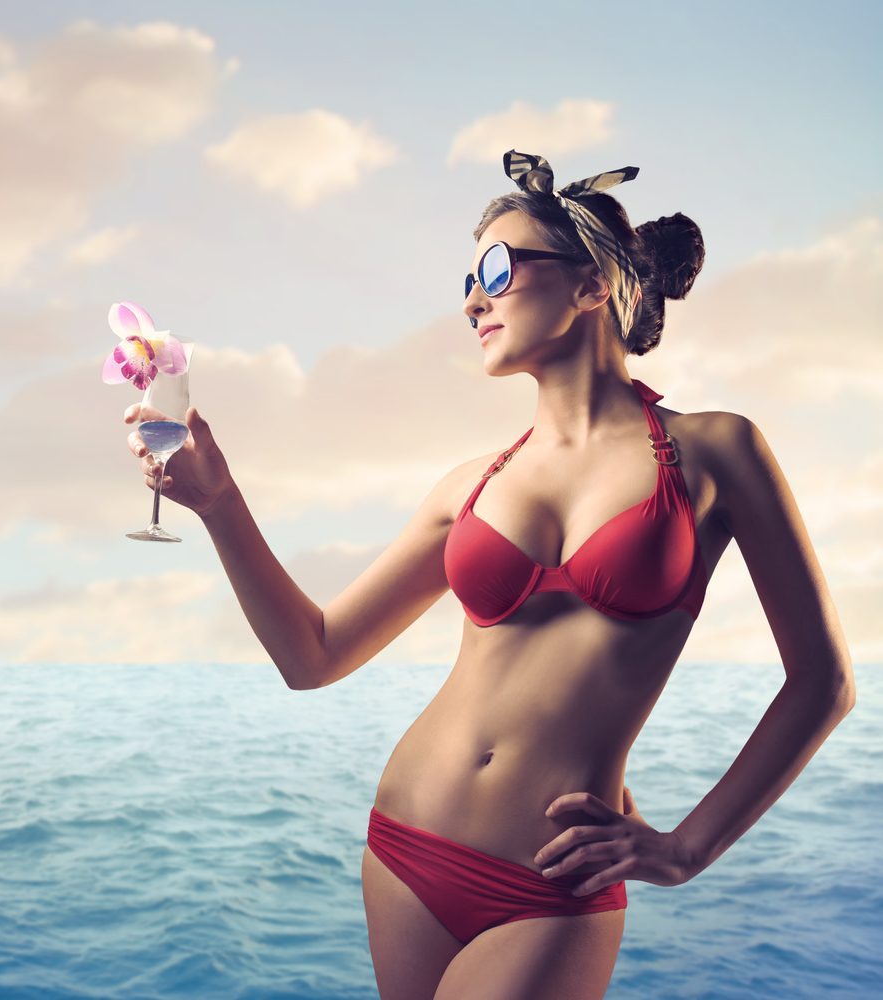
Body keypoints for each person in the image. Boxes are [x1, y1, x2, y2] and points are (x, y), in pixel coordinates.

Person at [124, 150, 856, 1000]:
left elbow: (823, 682)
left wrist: (687, 848)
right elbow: (313, 655)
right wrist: (220, 504)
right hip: (405, 842)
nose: (474, 300)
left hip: (550, 884)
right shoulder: (470, 485)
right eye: (468, 280)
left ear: (591, 286)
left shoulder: (717, 450)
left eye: (500, 271)